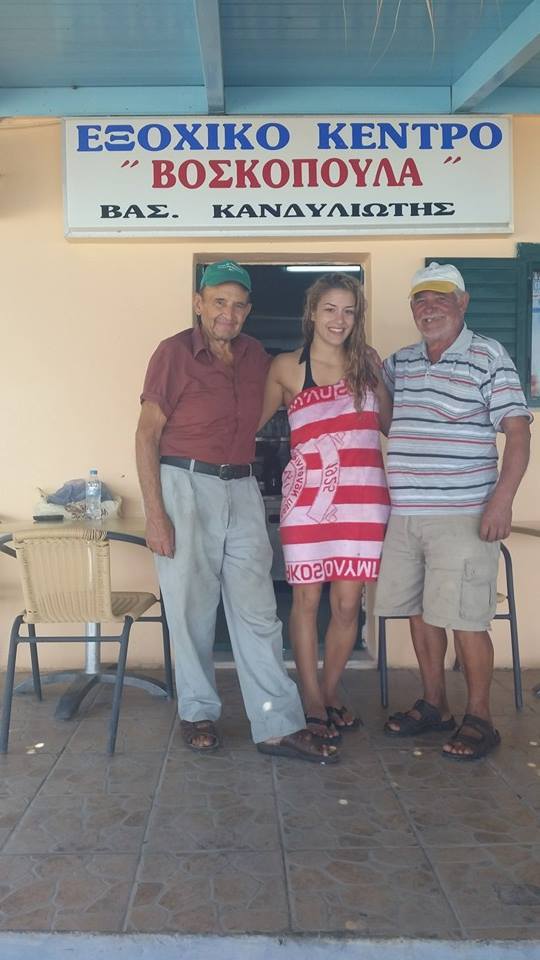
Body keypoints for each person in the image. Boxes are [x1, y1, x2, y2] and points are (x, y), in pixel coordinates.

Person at [135, 259, 337, 764]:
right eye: (219, 302)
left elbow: (304, 378)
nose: (228, 313)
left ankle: (276, 724)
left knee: (259, 612)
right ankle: (198, 713)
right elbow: (146, 434)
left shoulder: (255, 356)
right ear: (199, 304)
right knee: (190, 610)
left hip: (242, 487)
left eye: (238, 304)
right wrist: (156, 515)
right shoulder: (173, 353)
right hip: (184, 484)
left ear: (248, 310)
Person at [374, 262, 532, 760]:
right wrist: (371, 375)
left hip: (463, 513)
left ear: (462, 303)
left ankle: (480, 718)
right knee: (419, 613)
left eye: (440, 298)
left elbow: (518, 433)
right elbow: (389, 422)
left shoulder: (488, 355)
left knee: (466, 618)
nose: (429, 308)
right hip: (406, 514)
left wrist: (501, 501)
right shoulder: (401, 362)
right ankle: (435, 704)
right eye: (420, 300)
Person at [260, 273, 392, 742]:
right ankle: (312, 698)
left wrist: (377, 380)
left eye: (349, 311)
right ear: (312, 313)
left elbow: (389, 423)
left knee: (347, 604)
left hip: (363, 500)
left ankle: (331, 691)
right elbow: (247, 424)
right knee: (306, 601)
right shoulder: (285, 368)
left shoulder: (369, 362)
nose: (340, 320)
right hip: (308, 504)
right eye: (330, 309)